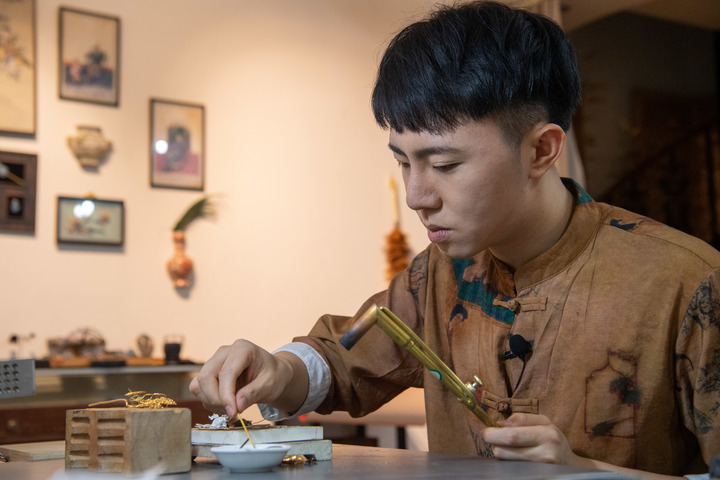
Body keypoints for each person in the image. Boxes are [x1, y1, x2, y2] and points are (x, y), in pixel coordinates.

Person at [190, 2, 719, 478]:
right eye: (402, 162)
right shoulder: (437, 275)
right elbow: (342, 361)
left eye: (444, 164)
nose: (417, 195)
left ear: (541, 151)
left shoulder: (689, 283)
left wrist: (586, 472)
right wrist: (276, 370)